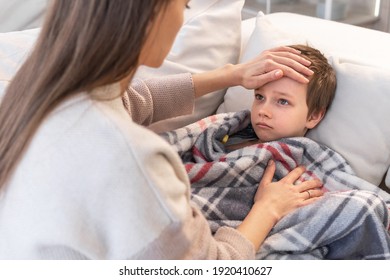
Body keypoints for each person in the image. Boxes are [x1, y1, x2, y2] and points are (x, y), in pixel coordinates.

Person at [0, 0, 322, 259]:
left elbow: (133, 100)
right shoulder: (133, 158)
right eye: (184, 6)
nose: (183, 18)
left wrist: (231, 75)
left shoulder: (35, 93)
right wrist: (268, 208)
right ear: (151, 15)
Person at [223, 44, 337, 151]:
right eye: (260, 97)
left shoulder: (311, 160)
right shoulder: (229, 132)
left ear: (313, 116)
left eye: (283, 101)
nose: (263, 111)